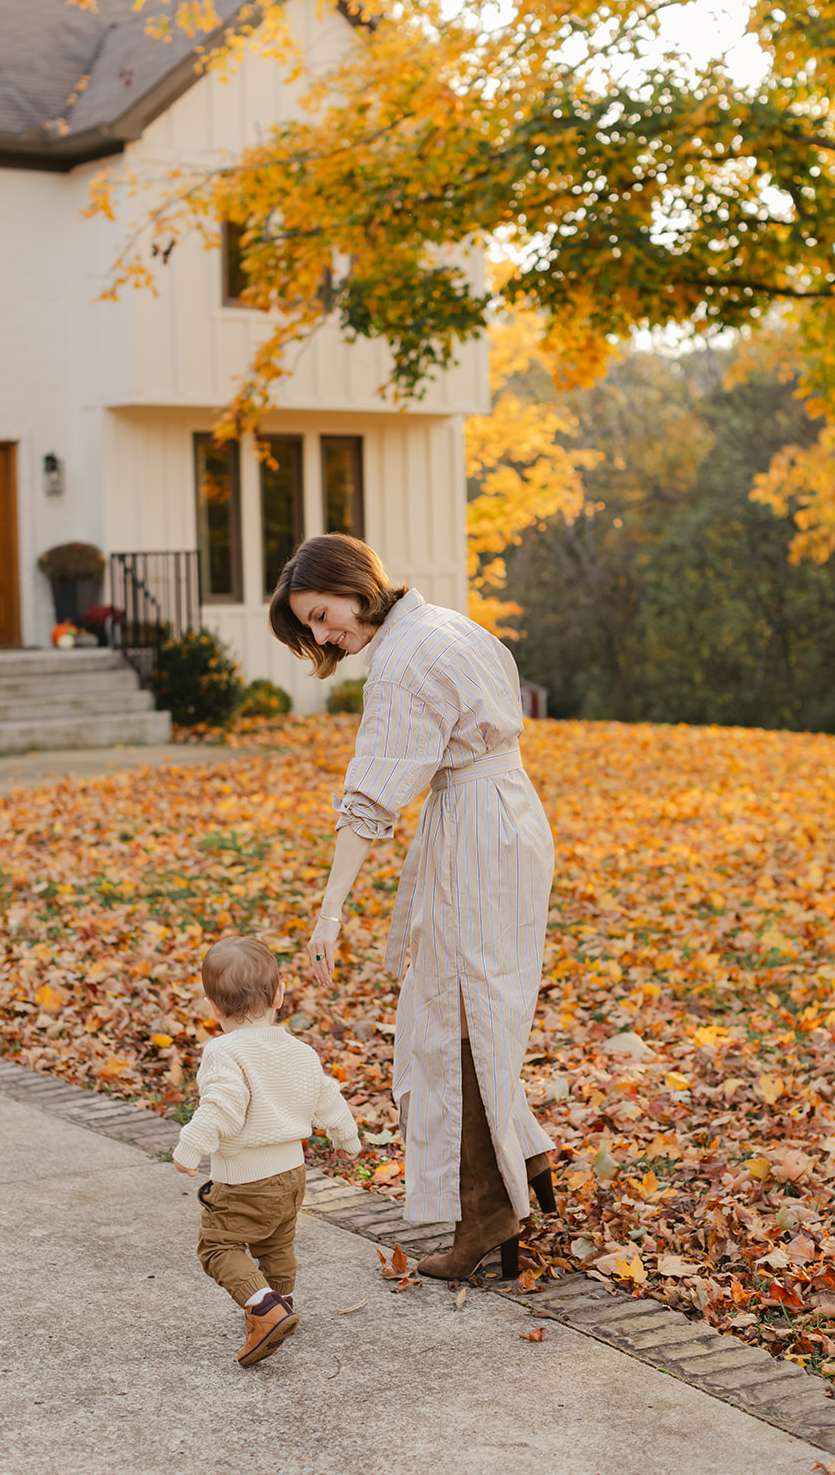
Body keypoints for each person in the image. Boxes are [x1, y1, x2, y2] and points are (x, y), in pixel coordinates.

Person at [269, 535, 556, 1280]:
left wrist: (329, 911)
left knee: (451, 1015)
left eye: (324, 615)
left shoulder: (400, 662)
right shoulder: (446, 624)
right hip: (510, 814)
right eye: (312, 629)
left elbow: (369, 801)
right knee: (483, 1001)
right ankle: (524, 1153)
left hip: (477, 828)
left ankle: (488, 1211)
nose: (325, 636)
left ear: (357, 587)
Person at [173, 934, 360, 1366]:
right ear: (280, 995)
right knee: (278, 1244)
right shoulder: (300, 1051)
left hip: (245, 1179)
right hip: (292, 1176)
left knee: (218, 1246)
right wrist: (346, 1137)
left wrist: (191, 1145)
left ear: (212, 1008)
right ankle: (283, 1304)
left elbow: (223, 1105)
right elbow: (327, 1097)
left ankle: (263, 1308)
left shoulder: (223, 1051)